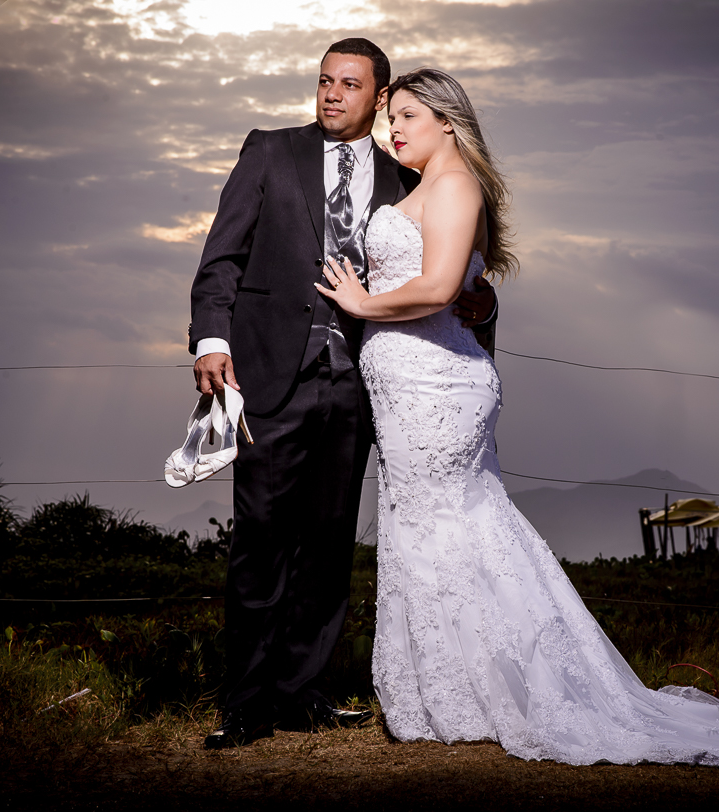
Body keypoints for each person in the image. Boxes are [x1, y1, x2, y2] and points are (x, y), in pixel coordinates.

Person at [315, 67, 719, 770]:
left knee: (462, 525)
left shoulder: (457, 183)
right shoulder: (425, 188)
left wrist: (363, 305)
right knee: (421, 528)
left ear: (447, 120)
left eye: (408, 114)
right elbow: (469, 288)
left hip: (439, 390)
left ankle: (510, 692)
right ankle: (448, 694)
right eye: (391, 117)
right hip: (407, 389)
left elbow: (438, 288)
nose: (394, 127)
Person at [189, 41, 498, 750]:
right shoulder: (269, 151)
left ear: (380, 95)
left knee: (330, 547)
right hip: (269, 375)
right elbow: (222, 257)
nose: (331, 94)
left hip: (364, 383)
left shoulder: (408, 173)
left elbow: (455, 269)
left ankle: (306, 695)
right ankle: (246, 704)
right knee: (261, 539)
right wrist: (211, 339)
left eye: (349, 84)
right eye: (324, 81)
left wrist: (480, 305)